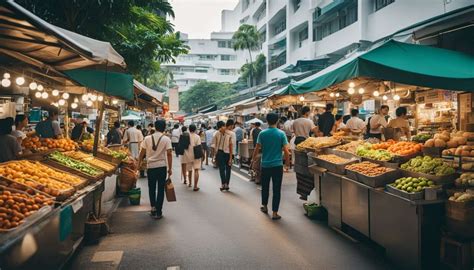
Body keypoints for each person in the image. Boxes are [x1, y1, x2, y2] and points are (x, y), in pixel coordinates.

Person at [252, 113, 290, 220]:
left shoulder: (262, 134)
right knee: (276, 189)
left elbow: (257, 148)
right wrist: (287, 164)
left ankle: (264, 206)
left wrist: (253, 159)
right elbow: (286, 151)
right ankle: (274, 213)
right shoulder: (281, 134)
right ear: (277, 121)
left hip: (265, 165)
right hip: (277, 165)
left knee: (265, 186)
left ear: (267, 121)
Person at [138, 119, 172, 219]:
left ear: (155, 127)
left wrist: (138, 164)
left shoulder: (147, 138)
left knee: (151, 188)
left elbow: (142, 153)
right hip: (162, 167)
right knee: (161, 189)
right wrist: (170, 168)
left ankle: (153, 208)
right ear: (164, 127)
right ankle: (159, 211)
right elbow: (169, 154)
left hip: (151, 167)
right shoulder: (166, 139)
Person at [212, 121, 233, 191]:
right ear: (220, 128)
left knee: (228, 169)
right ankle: (223, 183)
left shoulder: (229, 134)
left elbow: (231, 146)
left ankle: (227, 184)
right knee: (221, 169)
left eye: (225, 126)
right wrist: (214, 156)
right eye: (223, 126)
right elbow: (214, 146)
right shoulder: (216, 134)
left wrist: (230, 157)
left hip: (227, 153)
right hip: (219, 153)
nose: (225, 127)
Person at [182, 124, 202, 191]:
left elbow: (184, 146)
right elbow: (199, 146)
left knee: (189, 170)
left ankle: (190, 183)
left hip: (188, 155)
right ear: (195, 129)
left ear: (189, 129)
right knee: (196, 170)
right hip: (196, 155)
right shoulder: (197, 137)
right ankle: (195, 186)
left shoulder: (186, 136)